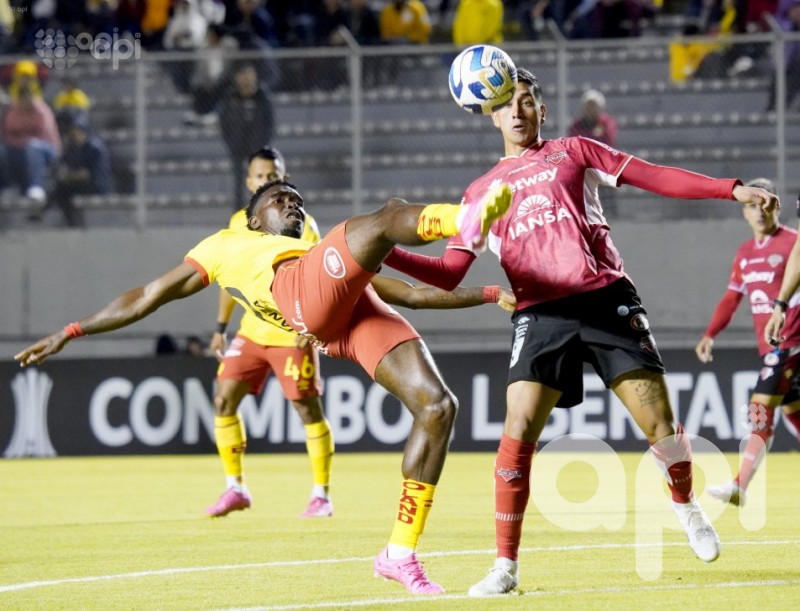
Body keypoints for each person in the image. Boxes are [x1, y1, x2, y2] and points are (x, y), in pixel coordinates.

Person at [380, 66, 779, 596]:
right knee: (517, 430)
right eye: (506, 104)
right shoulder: (479, 193)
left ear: (542, 110)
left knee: (660, 426)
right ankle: (505, 566)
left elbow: (653, 175)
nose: (517, 111)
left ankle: (685, 507)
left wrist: (731, 190)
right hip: (540, 313)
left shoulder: (574, 152)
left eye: (526, 101)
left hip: (605, 299)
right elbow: (450, 271)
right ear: (491, 115)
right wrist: (384, 248)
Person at [15, 179, 514, 595]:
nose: (293, 205)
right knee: (386, 215)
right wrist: (73, 330)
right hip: (301, 299)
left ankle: (399, 553)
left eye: (298, 201)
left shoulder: (314, 251)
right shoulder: (224, 245)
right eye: (280, 200)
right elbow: (147, 296)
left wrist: (490, 293)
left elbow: (413, 295)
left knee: (437, 406)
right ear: (254, 220)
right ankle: (465, 218)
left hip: (343, 317)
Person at [205, 145, 333, 519]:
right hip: (251, 331)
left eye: (273, 176)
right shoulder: (237, 223)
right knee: (223, 400)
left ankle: (321, 495)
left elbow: (316, 276)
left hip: (290, 332)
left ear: (284, 177)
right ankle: (235, 488)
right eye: (261, 176)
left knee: (307, 410)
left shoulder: (302, 223)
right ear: (249, 182)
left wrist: (311, 325)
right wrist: (220, 327)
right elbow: (228, 276)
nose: (267, 181)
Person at [696, 178, 800, 507]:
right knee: (793, 409)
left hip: (790, 338)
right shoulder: (745, 254)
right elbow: (732, 298)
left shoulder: (793, 244)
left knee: (759, 407)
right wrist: (710, 333)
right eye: (752, 205)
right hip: (771, 345)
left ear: (776, 206)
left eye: (764, 204)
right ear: (744, 211)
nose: (759, 212)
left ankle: (739, 485)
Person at [30, 112, 112, 227]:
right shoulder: (73, 148)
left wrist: (68, 176)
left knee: (63, 190)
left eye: (76, 130)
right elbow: (64, 164)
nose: (73, 134)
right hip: (79, 184)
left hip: (95, 185)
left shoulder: (93, 148)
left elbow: (86, 174)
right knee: (61, 189)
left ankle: (49, 213)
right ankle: (60, 217)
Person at [219, 63, 274, 208]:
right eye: (242, 75)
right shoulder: (230, 98)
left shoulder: (262, 98)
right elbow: (224, 123)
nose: (246, 78)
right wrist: (231, 143)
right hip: (237, 147)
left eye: (249, 74)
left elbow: (269, 124)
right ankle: (239, 214)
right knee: (238, 185)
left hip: (258, 148)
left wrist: (262, 144)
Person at [0, 75, 61, 204]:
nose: (25, 101)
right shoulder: (14, 111)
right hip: (20, 148)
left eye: (28, 97)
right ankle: (8, 187)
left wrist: (23, 139)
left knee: (32, 146)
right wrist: (21, 141)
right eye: (22, 98)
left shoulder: (41, 111)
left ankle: (36, 187)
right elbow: (9, 135)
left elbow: (45, 136)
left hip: (46, 150)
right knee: (3, 151)